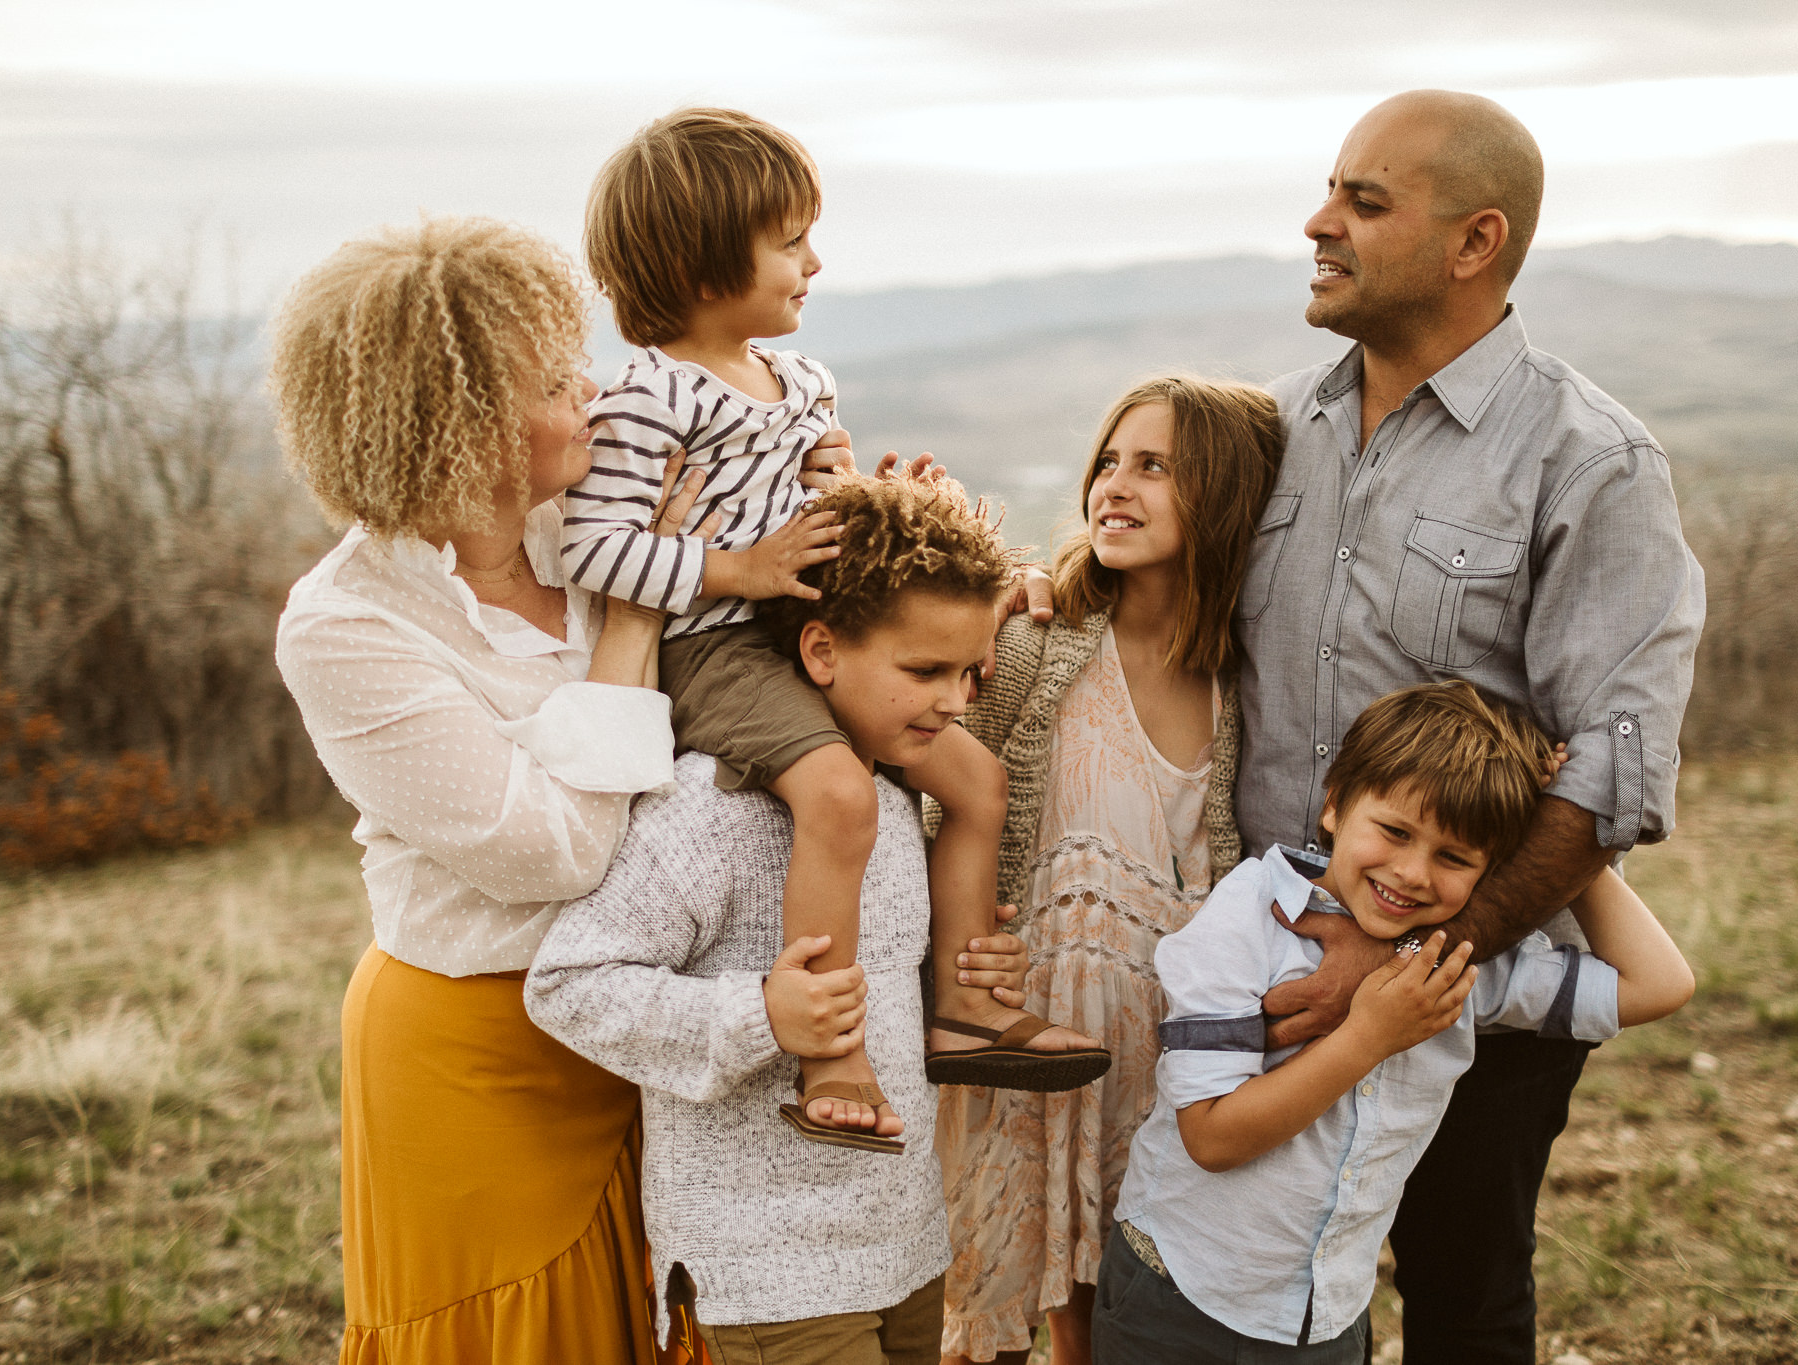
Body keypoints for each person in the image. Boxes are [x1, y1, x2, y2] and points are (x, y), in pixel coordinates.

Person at [1235, 90, 1709, 1364]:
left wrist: (1405, 974)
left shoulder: (1590, 462)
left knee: (1464, 1303)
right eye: (1331, 190)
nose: (1316, 222)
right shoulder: (1269, 428)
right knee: (1251, 1301)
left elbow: (1608, 775)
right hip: (1256, 977)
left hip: (1471, 1006)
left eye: (1362, 202)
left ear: (1473, 241)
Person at [564, 109, 1103, 1151]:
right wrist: (739, 570)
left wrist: (874, 507)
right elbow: (597, 549)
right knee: (838, 792)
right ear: (701, 261)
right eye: (788, 241)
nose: (814, 261)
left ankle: (963, 1003)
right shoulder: (648, 396)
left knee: (976, 781)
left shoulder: (803, 383)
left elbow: (822, 516)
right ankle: (828, 1049)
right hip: (715, 644)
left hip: (809, 625)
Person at [272, 217, 688, 1362]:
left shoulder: (598, 530)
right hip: (477, 1049)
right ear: (467, 428)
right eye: (559, 381)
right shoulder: (347, 624)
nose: (593, 393)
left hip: (653, 1029)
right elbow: (554, 853)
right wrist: (639, 623)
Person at [527, 474, 1025, 1364]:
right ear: (822, 652)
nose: (956, 701)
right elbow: (568, 985)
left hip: (905, 1244)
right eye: (924, 671)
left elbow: (880, 982)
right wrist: (764, 1015)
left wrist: (960, 982)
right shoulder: (706, 808)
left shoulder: (894, 797)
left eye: (967, 673)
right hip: (765, 1277)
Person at [1095, 682, 1695, 1363]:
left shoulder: (1451, 963)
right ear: (1335, 804)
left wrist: (1563, 839)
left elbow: (1661, 983)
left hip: (1325, 1319)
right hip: (1182, 1302)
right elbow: (1211, 1136)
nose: (1411, 872)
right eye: (1395, 831)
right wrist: (1367, 1036)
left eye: (1455, 857)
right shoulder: (1252, 919)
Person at [932, 376, 1284, 1365]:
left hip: (1166, 1053)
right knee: (984, 1317)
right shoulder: (1031, 642)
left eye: (1155, 467)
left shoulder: (1247, 678)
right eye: (1109, 462)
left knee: (1109, 1321)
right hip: (1026, 1029)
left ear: (1221, 496)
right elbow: (932, 808)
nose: (1113, 487)